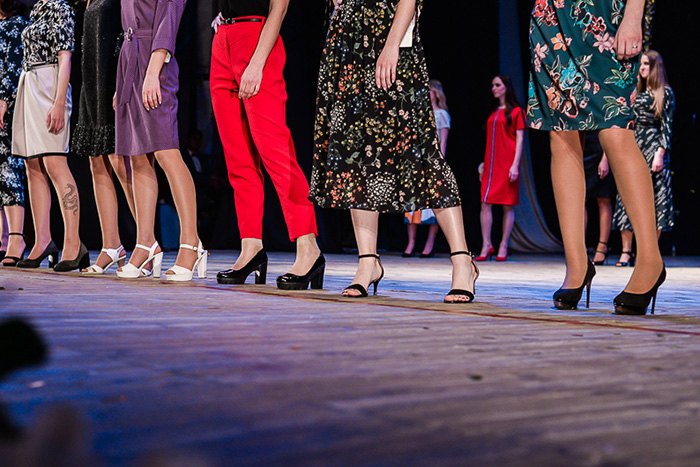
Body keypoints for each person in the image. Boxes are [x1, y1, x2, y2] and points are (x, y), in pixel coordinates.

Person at [310, 0, 479, 302]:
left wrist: (391, 45)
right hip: (348, 43)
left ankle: (462, 261)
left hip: (389, 36)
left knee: (424, 155)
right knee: (356, 158)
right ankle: (367, 263)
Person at [528, 0, 665, 315]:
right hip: (552, 14)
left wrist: (634, 12)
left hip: (607, 11)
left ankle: (650, 260)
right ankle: (576, 264)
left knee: (615, 130)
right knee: (561, 133)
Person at [210, 0, 323, 290]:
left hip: (257, 39)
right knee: (238, 158)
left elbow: (280, 8)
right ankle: (251, 248)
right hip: (224, 38)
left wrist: (257, 63)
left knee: (276, 152)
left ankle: (308, 247)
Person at [114, 0, 206, 282]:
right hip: (130, 61)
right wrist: (122, 82)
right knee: (137, 156)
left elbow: (168, 22)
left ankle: (191, 243)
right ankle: (145, 244)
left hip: (155, 61)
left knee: (167, 153)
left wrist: (153, 72)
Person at [12, 0, 88, 272]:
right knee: (32, 164)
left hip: (49, 85)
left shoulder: (60, 7)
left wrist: (58, 102)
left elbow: (65, 57)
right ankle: (42, 240)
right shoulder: (38, 8)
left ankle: (73, 243)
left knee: (55, 163)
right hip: (29, 83)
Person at [72, 0, 136, 274]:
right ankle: (112, 245)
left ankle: (147, 241)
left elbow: (128, 37)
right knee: (96, 161)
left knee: (120, 163)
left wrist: (122, 84)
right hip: (91, 83)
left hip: (112, 80)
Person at [612, 50, 674, 267]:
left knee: (656, 198)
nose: (642, 67)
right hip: (632, 144)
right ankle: (626, 251)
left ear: (655, 67)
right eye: (641, 64)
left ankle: (648, 253)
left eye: (646, 64)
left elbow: (666, 127)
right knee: (626, 196)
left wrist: (660, 154)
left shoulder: (664, 93)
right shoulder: (633, 91)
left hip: (653, 146)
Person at [476, 75, 524, 262]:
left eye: (497, 85)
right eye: (492, 85)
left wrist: (515, 165)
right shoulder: (494, 111)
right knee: (485, 203)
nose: (493, 88)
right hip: (491, 165)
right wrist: (483, 163)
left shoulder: (517, 111)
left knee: (507, 205)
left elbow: (520, 140)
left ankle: (504, 244)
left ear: (506, 87)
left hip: (507, 164)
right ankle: (486, 244)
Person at [402, 79, 449, 258]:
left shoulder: (441, 114)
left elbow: (443, 142)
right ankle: (411, 242)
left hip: (432, 160)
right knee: (412, 204)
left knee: (432, 204)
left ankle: (429, 244)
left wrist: (439, 164)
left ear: (436, 94)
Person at [0, 1, 28, 267]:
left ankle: (16, 239)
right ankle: (2, 238)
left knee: (9, 171)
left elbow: (14, 64)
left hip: (7, 106)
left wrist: (3, 100)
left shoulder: (16, 24)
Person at [582, 132, 616, 265]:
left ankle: (602, 246)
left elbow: (610, 127)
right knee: (580, 199)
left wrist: (605, 159)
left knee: (603, 198)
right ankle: (580, 246)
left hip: (600, 149)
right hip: (582, 148)